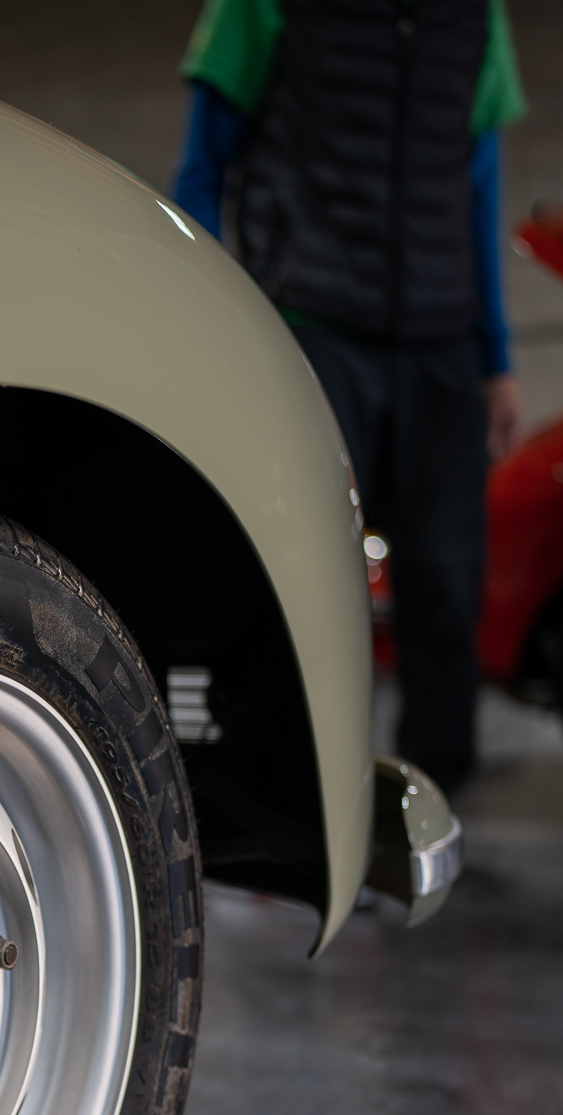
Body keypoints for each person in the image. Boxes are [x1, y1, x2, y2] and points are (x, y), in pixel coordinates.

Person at [172, 0, 527, 795]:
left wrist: (492, 358)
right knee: (309, 588)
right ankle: (293, 810)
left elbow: (477, 185)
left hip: (439, 342)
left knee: (445, 587)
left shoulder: (476, 17)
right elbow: (200, 173)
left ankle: (435, 801)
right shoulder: (260, 8)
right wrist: (221, 332)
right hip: (314, 328)